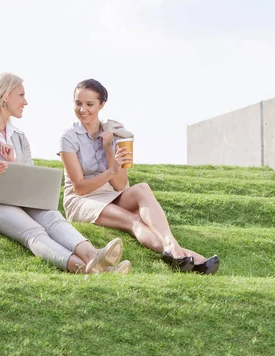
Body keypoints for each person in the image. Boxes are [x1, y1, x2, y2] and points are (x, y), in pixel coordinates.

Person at [0, 73, 130, 274]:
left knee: (53, 218)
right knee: (34, 232)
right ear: (5, 96)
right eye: (21, 95)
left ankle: (93, 255)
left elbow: (28, 176)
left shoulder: (19, 136)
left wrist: (12, 162)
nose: (25, 102)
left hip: (16, 194)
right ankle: (89, 270)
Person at [58, 78, 219, 274]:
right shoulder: (68, 138)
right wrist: (110, 171)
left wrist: (109, 148)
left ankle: (174, 249)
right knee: (133, 220)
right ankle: (190, 258)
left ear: (102, 105)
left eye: (89, 104)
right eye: (78, 103)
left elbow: (119, 185)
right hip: (82, 199)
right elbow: (80, 187)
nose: (83, 109)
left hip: (110, 193)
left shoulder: (115, 134)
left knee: (142, 188)